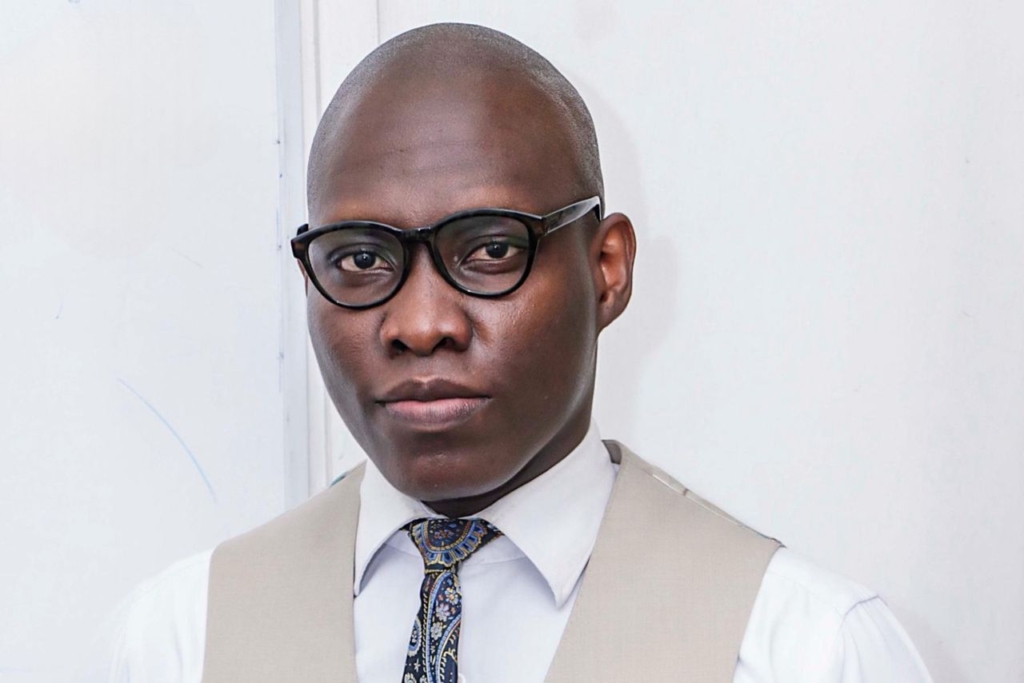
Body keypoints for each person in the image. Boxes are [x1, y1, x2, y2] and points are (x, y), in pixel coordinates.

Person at [94, 22, 933, 683]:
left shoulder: (804, 650)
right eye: (362, 258)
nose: (421, 322)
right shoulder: (179, 641)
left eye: (491, 250)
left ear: (607, 270)